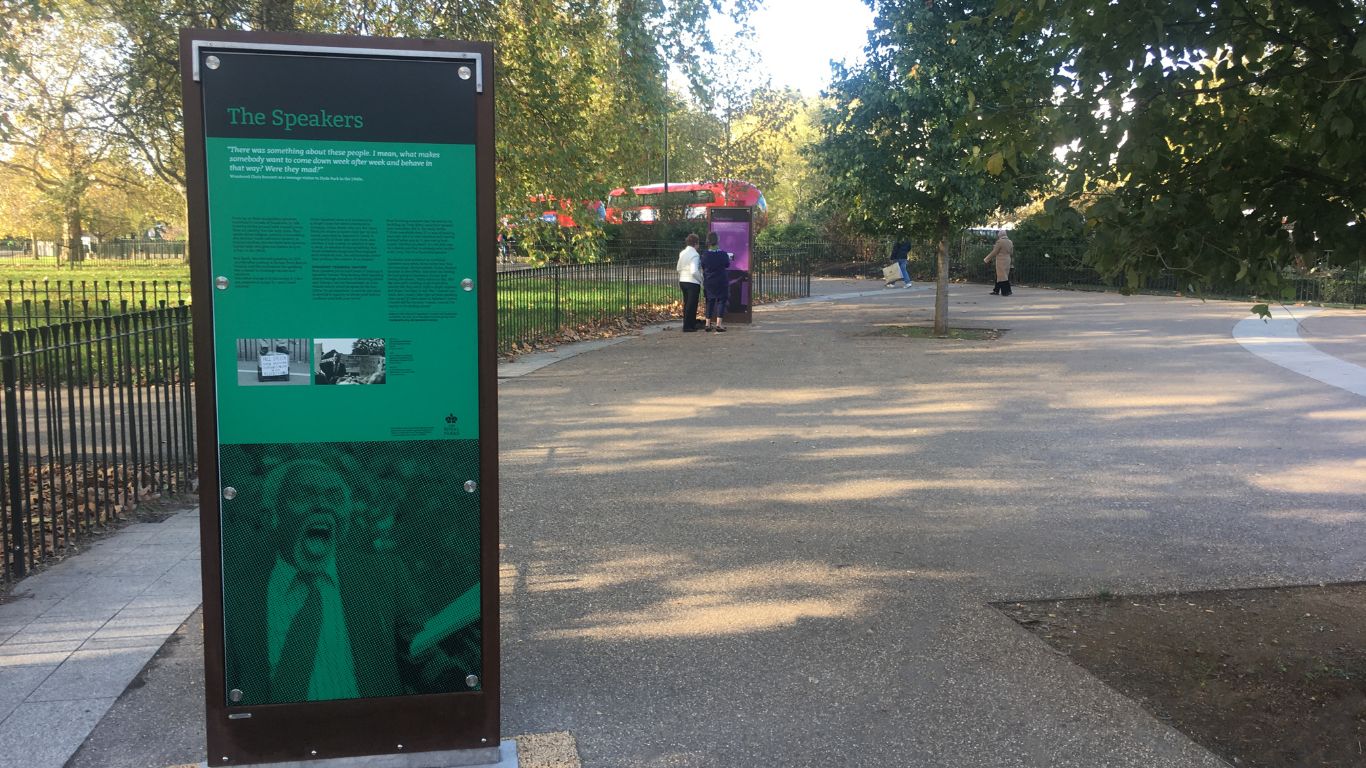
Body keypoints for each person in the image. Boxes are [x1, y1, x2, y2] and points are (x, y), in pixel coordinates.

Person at [222, 459, 464, 705]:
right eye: (304, 495)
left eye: (334, 497)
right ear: (272, 515)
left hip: (369, 729)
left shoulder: (385, 575)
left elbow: (422, 654)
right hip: (278, 736)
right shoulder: (239, 593)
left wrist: (463, 678)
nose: (321, 505)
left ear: (346, 519)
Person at [699, 232, 732, 332]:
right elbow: (727, 265)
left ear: (708, 241)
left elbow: (703, 266)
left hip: (709, 281)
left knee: (710, 301)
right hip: (721, 281)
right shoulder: (723, 254)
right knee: (721, 301)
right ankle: (719, 324)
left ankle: (708, 324)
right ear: (718, 241)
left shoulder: (705, 255)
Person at [676, 233, 702, 332]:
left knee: (687, 304)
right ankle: (689, 326)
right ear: (696, 243)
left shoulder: (682, 253)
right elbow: (694, 270)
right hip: (692, 281)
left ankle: (687, 324)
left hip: (682, 280)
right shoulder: (695, 254)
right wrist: (700, 279)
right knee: (692, 305)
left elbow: (678, 267)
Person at [985, 230, 1014, 296]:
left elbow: (994, 252)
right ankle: (996, 290)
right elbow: (1012, 252)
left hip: (1001, 260)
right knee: (1002, 275)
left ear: (999, 235)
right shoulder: (1010, 242)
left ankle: (1006, 291)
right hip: (1007, 259)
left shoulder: (1000, 242)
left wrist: (987, 259)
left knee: (1002, 276)